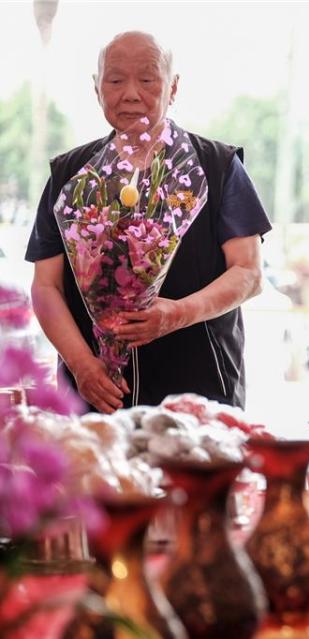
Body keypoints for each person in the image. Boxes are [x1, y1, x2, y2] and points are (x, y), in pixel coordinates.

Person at [26, 31, 271, 413]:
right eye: (116, 79)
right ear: (96, 88)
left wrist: (177, 313)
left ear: (173, 87)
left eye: (147, 79)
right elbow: (45, 286)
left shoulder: (217, 166)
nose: (131, 93)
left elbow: (249, 273)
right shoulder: (69, 175)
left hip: (197, 394)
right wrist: (82, 365)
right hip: (96, 397)